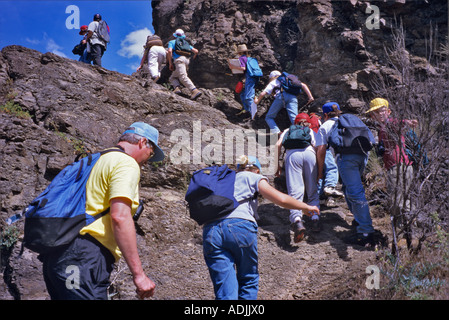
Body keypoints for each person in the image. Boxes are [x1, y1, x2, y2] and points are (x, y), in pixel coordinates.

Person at [41, 122, 165, 300]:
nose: (147, 160)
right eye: (151, 153)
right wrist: (139, 275)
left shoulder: (92, 160)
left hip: (56, 256)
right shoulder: (126, 163)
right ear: (142, 142)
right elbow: (120, 217)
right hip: (82, 257)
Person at [202, 155, 320, 300]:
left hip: (211, 230)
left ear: (238, 168)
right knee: (248, 279)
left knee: (225, 290)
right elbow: (281, 199)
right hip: (240, 226)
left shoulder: (222, 179)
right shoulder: (252, 177)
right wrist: (305, 207)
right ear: (257, 170)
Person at [315, 102, 376, 246]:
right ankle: (358, 218)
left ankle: (365, 231)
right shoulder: (350, 120)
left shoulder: (325, 126)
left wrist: (319, 173)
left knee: (355, 192)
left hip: (346, 159)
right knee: (348, 188)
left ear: (325, 115)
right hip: (362, 155)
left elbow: (321, 151)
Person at [366, 98, 417, 214]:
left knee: (397, 202)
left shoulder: (389, 124)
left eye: (382, 110)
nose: (380, 114)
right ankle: (410, 229)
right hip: (403, 166)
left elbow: (398, 123)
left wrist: (407, 122)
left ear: (388, 112)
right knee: (405, 200)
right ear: (372, 115)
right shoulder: (382, 128)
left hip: (398, 167)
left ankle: (403, 228)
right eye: (376, 112)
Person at [275, 113, 321, 241]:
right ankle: (315, 219)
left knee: (295, 188)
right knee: (312, 187)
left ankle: (297, 220)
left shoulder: (288, 130)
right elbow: (318, 147)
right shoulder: (310, 131)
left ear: (295, 122)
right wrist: (320, 169)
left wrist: (277, 165)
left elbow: (278, 145)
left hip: (292, 155)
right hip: (309, 154)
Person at [254, 70, 314, 135]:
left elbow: (263, 93)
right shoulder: (289, 80)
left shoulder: (275, 81)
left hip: (281, 97)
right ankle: (301, 134)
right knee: (295, 119)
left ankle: (278, 133)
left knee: (269, 117)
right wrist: (310, 97)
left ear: (272, 77)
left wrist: (257, 101)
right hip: (293, 98)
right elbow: (304, 85)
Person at [167, 29, 202, 100]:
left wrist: (170, 63)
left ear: (175, 35)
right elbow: (196, 51)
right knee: (172, 78)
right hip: (186, 61)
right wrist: (193, 58)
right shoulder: (185, 43)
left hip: (179, 60)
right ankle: (177, 88)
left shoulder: (172, 42)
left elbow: (169, 51)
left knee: (183, 77)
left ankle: (194, 90)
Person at [228, 44, 259, 115]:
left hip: (249, 79)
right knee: (243, 95)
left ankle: (253, 114)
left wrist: (233, 67)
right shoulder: (248, 58)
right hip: (251, 78)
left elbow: (243, 68)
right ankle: (247, 112)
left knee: (248, 97)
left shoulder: (241, 58)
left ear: (239, 53)